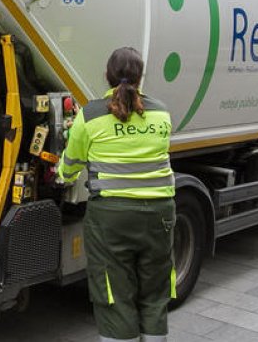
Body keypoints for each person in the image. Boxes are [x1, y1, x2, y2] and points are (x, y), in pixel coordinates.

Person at [58, 47, 175, 342]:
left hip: (112, 218)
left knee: (113, 292)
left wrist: (62, 176)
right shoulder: (161, 111)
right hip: (161, 215)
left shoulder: (90, 115)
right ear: (140, 76)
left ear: (107, 76)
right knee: (154, 292)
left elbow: (71, 162)